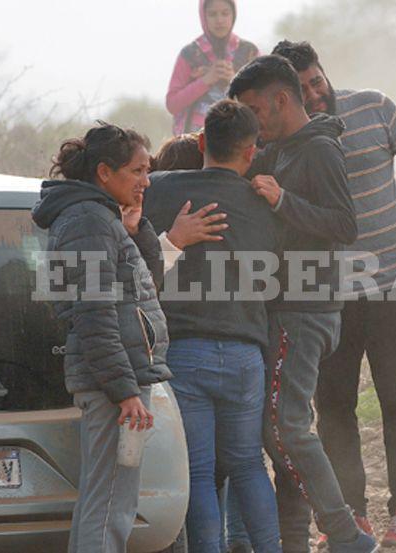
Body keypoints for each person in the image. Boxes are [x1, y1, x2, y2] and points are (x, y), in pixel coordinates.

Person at [271, 40, 396, 550]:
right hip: (327, 299)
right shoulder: (282, 142)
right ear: (286, 97)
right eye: (302, 90)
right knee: (335, 406)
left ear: (326, 75)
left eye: (317, 82)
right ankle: (353, 515)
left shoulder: (373, 106)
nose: (315, 94)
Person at [229, 55, 377, 553]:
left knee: (287, 428)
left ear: (282, 100)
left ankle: (346, 534)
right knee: (279, 430)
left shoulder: (317, 152)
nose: (252, 121)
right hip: (291, 305)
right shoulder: (283, 148)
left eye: (253, 109)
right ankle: (294, 539)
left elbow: (344, 224)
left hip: (305, 308)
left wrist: (281, 201)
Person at [143, 99, 282, 553]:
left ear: (201, 142)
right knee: (248, 465)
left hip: (186, 353)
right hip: (246, 353)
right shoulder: (264, 200)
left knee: (199, 472)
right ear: (251, 152)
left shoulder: (159, 190)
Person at [32, 123, 168, 553]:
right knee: (111, 504)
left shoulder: (97, 218)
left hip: (115, 380)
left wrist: (131, 229)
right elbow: (92, 314)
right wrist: (124, 391)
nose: (146, 181)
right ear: (105, 172)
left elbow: (144, 287)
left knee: (107, 501)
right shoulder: (88, 221)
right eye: (138, 170)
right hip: (112, 386)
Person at [150, 129, 252, 553]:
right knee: (234, 462)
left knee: (198, 466)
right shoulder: (227, 218)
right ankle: (241, 539)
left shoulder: (159, 220)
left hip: (181, 353)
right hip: (238, 350)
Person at [166, 0, 259, 136]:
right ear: (203, 16)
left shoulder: (249, 52)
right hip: (195, 141)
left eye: (225, 13)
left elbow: (261, 101)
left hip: (239, 138)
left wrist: (234, 81)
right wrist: (206, 80)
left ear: (233, 15)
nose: (219, 20)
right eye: (212, 14)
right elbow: (172, 104)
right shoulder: (190, 54)